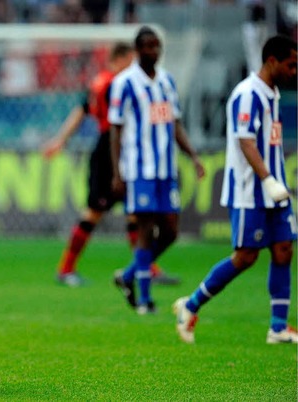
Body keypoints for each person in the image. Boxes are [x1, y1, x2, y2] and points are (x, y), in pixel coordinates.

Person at [174, 35, 298, 344]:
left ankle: (278, 327)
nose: (295, 71)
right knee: (245, 257)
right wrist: (267, 179)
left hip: (274, 188)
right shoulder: (246, 94)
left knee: (284, 250)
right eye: (291, 65)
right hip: (250, 190)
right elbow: (245, 141)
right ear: (272, 61)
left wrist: (276, 181)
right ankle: (189, 307)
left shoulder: (274, 93)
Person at [42, 42, 180, 287]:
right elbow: (95, 115)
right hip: (110, 151)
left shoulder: (105, 82)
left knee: (136, 214)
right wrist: (60, 140)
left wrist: (60, 140)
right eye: (131, 60)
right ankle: (65, 269)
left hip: (123, 150)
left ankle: (146, 268)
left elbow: (81, 110)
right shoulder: (114, 83)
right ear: (121, 59)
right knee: (95, 212)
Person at [109, 26, 205, 314]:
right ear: (138, 50)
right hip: (140, 169)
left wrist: (192, 155)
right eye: (149, 47)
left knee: (171, 231)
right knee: (145, 228)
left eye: (157, 46)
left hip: (166, 168)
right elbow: (115, 129)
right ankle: (144, 299)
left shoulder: (167, 82)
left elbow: (175, 123)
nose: (154, 52)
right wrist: (117, 172)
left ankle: (128, 276)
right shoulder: (124, 83)